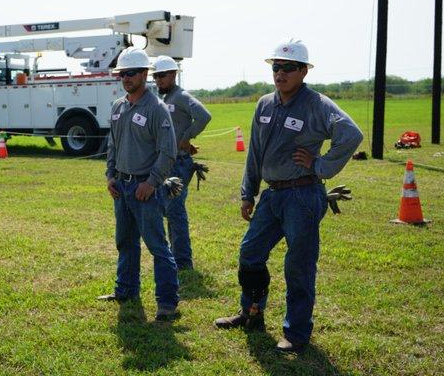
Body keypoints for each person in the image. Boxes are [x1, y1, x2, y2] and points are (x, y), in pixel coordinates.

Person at [214, 39, 363, 351]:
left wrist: (320, 166)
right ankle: (250, 313)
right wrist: (247, 193)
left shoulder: (317, 105)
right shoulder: (265, 104)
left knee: (298, 266)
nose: (280, 73)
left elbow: (351, 134)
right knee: (250, 254)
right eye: (276, 67)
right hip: (272, 196)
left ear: (303, 72)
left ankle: (295, 333)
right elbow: (254, 152)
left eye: (288, 68)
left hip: (303, 196)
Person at [98, 47, 180, 321]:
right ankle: (126, 290)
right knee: (125, 242)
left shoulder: (156, 108)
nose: (126, 78)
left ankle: (167, 303)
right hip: (121, 187)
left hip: (145, 190)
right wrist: (110, 176)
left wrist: (152, 183)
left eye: (131, 73)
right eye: (122, 73)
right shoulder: (118, 106)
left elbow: (168, 151)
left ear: (145, 74)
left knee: (157, 246)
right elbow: (113, 144)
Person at [151, 56, 212, 270]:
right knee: (165, 209)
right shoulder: (166, 99)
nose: (158, 80)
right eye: (155, 76)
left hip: (179, 164)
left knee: (175, 212)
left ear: (174, 74)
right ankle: (173, 257)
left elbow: (204, 116)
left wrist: (187, 138)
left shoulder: (181, 96)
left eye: (162, 75)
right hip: (167, 163)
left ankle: (183, 262)